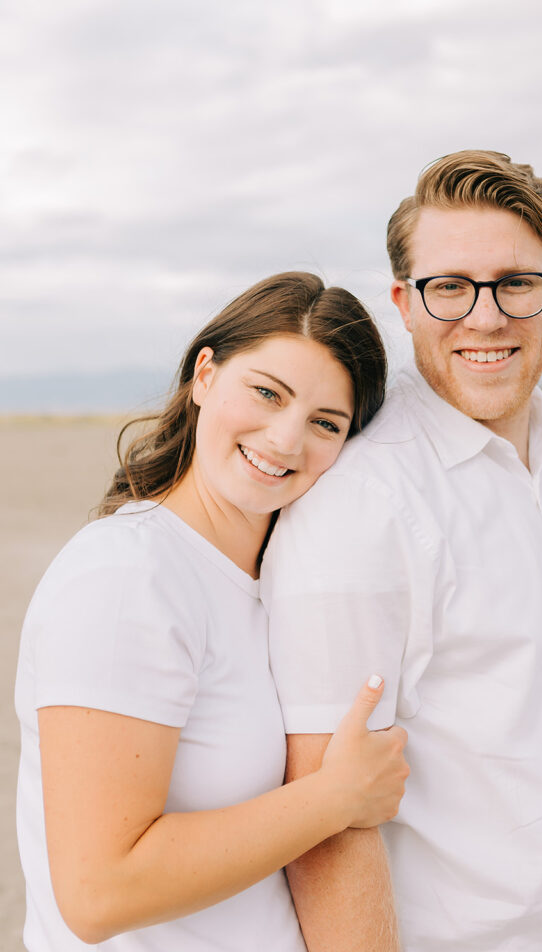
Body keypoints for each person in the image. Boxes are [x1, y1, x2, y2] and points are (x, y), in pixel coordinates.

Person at [263, 153, 542, 951]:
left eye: (515, 283)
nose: (483, 318)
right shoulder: (361, 503)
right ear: (402, 303)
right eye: (447, 286)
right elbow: (321, 817)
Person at [14, 271, 409, 952]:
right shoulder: (128, 575)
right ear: (205, 375)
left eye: (325, 423)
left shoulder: (273, 583)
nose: (285, 440)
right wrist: (336, 798)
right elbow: (98, 892)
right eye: (266, 392)